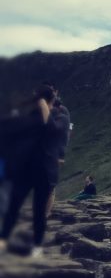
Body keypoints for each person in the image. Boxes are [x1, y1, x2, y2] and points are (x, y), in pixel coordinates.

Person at [0, 84, 65, 257]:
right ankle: (4, 239)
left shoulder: (60, 117)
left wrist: (45, 107)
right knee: (14, 205)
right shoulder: (30, 118)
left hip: (44, 172)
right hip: (25, 170)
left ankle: (37, 245)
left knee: (38, 210)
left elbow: (52, 130)